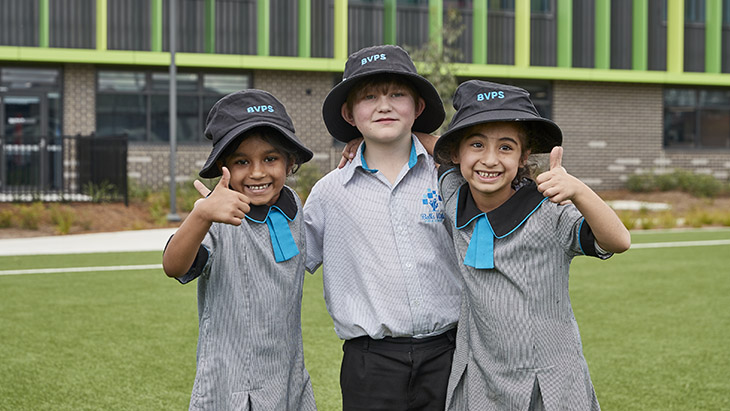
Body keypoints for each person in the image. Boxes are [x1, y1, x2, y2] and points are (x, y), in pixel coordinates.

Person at [432, 79, 631, 410]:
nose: (490, 160)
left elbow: (618, 240)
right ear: (457, 153)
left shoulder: (549, 210)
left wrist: (579, 191)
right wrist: (361, 142)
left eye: (506, 147)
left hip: (549, 379)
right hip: (481, 377)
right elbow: (429, 143)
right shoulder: (453, 195)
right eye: (476, 145)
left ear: (524, 157)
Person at [304, 44, 462, 410]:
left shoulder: (450, 179)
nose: (384, 105)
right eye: (369, 97)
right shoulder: (330, 192)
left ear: (418, 107)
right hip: (369, 362)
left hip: (449, 353)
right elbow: (292, 261)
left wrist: (442, 148)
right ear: (349, 114)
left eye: (397, 94)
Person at [162, 89, 317, 411]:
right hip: (231, 384)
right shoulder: (216, 216)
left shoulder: (295, 206)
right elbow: (173, 266)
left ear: (290, 162)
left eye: (270, 158)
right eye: (242, 161)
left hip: (287, 375)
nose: (258, 172)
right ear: (223, 168)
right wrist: (201, 214)